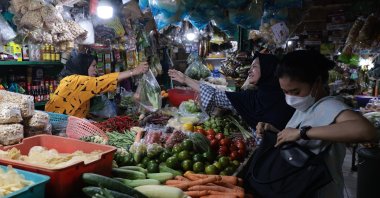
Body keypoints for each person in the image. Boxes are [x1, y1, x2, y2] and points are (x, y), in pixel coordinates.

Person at [256, 50, 377, 197]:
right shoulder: (307, 106)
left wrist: (302, 133)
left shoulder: (330, 105)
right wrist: (275, 131)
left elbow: (366, 131)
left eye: (295, 91)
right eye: (285, 92)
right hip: (300, 187)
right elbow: (303, 142)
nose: (290, 98)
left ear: (317, 82)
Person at [168, 52, 295, 132]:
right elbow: (217, 95)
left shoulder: (286, 97)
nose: (250, 71)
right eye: (250, 67)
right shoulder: (258, 96)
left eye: (255, 67)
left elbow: (216, 95)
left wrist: (185, 79)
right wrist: (185, 79)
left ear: (268, 70)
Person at [45, 53, 148, 118]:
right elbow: (102, 82)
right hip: (58, 126)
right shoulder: (75, 80)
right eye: (93, 66)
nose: (96, 69)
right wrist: (133, 71)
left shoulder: (74, 80)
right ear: (83, 65)